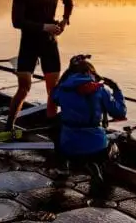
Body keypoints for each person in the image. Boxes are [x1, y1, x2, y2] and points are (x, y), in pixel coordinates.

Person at [5, 0, 74, 131]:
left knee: (53, 89)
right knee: (24, 88)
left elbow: (69, 1)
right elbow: (17, 22)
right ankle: (9, 126)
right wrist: (44, 27)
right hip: (29, 42)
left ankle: (51, 128)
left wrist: (65, 20)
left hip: (49, 42)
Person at [50, 54, 127, 199]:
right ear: (91, 73)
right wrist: (116, 89)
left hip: (68, 147)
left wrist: (66, 74)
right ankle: (97, 167)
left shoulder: (62, 89)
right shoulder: (100, 90)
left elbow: (54, 98)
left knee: (59, 125)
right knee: (114, 144)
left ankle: (64, 165)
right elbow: (120, 112)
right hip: (96, 149)